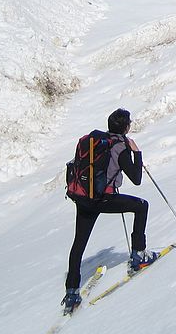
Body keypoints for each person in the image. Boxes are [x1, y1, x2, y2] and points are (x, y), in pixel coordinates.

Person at [63, 108, 158, 313]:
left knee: (78, 243)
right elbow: (137, 179)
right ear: (126, 127)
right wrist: (136, 153)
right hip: (103, 199)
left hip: (83, 197)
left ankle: (71, 292)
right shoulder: (120, 147)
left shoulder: (95, 141)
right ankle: (139, 255)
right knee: (141, 206)